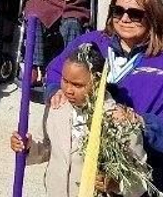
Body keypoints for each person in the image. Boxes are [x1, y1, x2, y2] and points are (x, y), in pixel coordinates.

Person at [46, 0, 163, 197]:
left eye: (135, 14)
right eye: (117, 11)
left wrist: (142, 123)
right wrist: (56, 89)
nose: (124, 19)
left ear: (154, 17)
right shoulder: (90, 43)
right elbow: (58, 69)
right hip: (81, 172)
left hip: (139, 176)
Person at [9, 43, 149, 197]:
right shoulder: (57, 107)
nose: (68, 90)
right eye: (65, 80)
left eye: (77, 85)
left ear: (97, 82)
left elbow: (140, 181)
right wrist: (28, 147)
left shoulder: (118, 120)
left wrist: (115, 183)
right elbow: (48, 148)